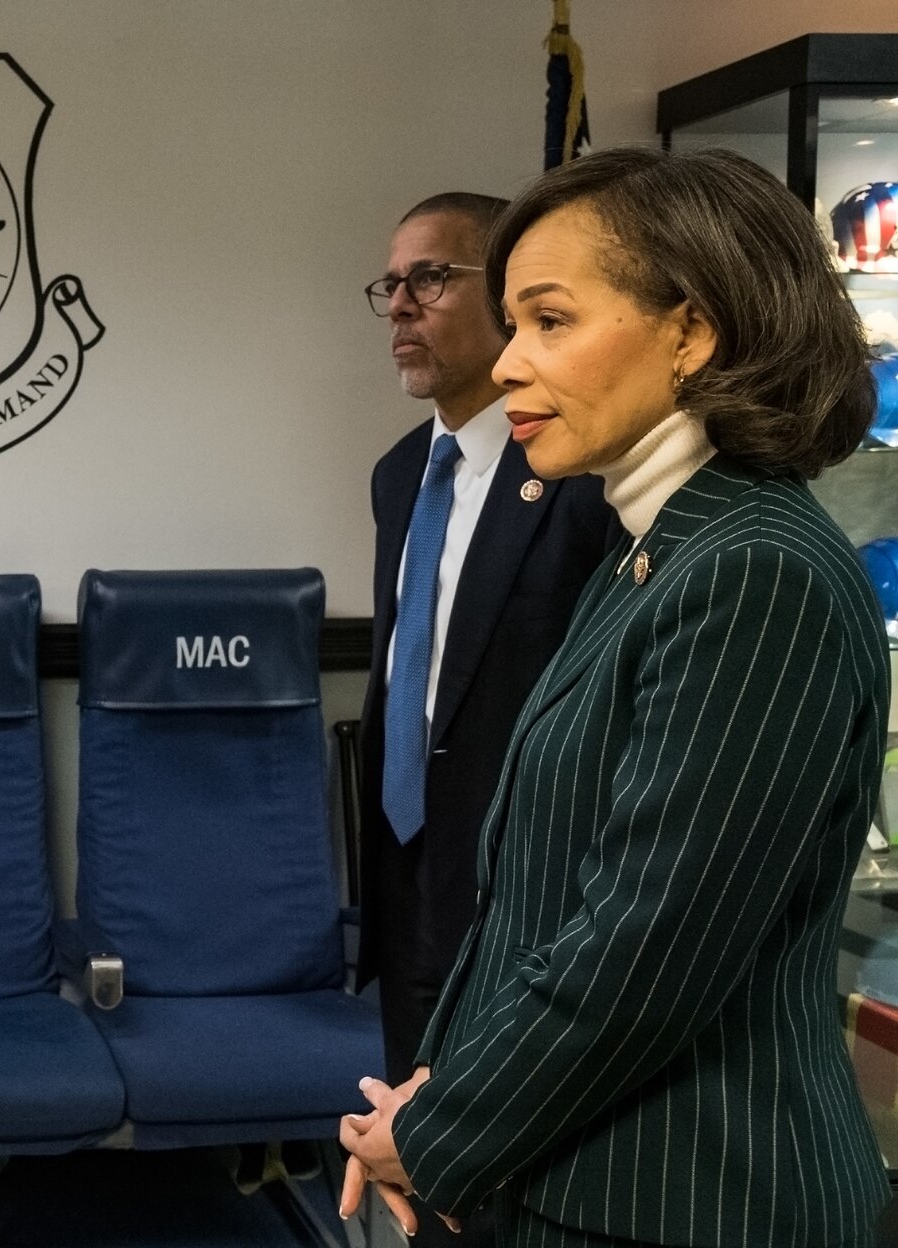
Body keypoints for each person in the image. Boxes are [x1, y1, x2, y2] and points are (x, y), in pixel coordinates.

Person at [340, 146, 889, 1247]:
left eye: (548, 320)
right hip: (592, 1174)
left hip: (694, 1196)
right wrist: (435, 1088)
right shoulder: (653, 551)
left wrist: (441, 1127)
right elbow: (549, 897)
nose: (505, 365)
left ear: (689, 332)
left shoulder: (749, 571)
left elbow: (644, 946)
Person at [358, 192, 620, 1248]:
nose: (399, 308)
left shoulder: (578, 481)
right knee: (413, 1169)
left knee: (505, 1178)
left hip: (525, 896)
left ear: (508, 302)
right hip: (406, 866)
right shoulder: (394, 478)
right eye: (389, 285)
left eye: (430, 279)